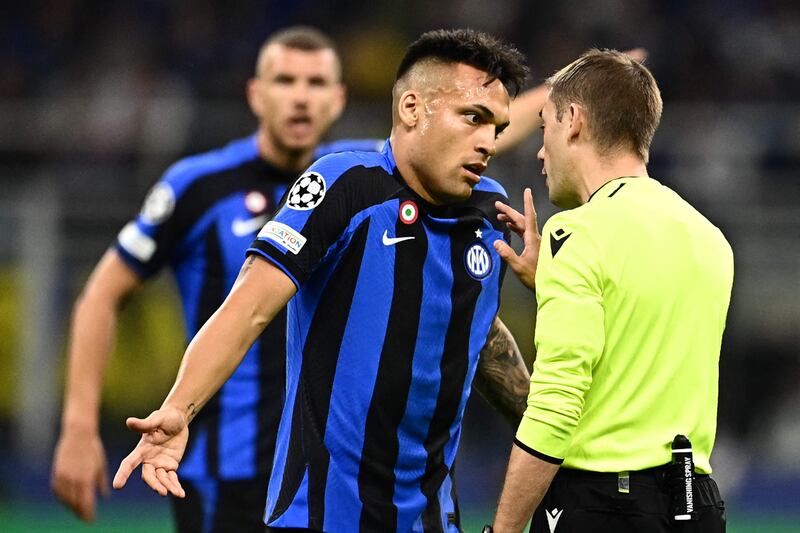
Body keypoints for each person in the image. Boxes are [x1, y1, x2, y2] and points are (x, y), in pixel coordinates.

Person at [110, 28, 532, 532]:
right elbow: (249, 306)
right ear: (412, 109)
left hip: (433, 520)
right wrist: (179, 409)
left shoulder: (490, 212)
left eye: (497, 128)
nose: (487, 141)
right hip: (320, 517)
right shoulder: (343, 185)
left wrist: (546, 438)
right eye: (473, 118)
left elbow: (478, 331)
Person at [50, 26, 384, 532]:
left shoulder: (360, 175)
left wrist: (551, 94)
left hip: (325, 469)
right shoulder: (198, 185)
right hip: (221, 473)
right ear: (256, 94)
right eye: (284, 80)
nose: (300, 97)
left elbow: (473, 129)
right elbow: (101, 293)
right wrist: (78, 427)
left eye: (315, 83)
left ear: (338, 99)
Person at [488, 49, 733, 532]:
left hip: (605, 503)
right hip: (698, 502)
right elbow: (636, 351)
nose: (540, 151)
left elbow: (556, 404)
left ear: (574, 121)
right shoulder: (709, 236)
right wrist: (550, 283)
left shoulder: (576, 234)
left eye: (544, 127)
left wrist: (503, 530)